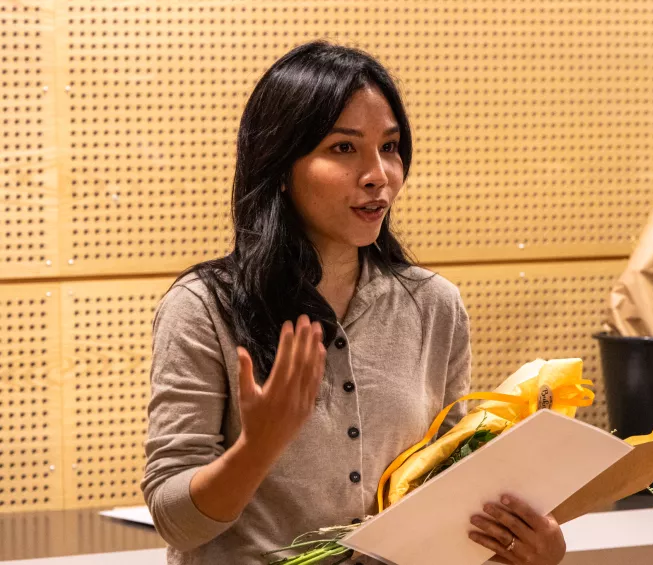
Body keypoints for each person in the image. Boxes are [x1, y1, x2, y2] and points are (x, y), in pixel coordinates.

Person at [141, 40, 567, 565]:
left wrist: (525, 546)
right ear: (279, 165)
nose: (378, 175)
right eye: (344, 148)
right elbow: (174, 521)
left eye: (389, 147)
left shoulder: (434, 306)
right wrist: (257, 448)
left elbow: (447, 498)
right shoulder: (204, 306)